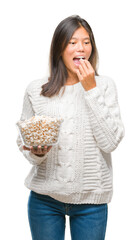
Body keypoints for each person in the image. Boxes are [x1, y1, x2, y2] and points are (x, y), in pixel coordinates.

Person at [17, 15, 125, 240]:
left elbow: (111, 142)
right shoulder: (37, 90)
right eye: (73, 42)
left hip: (91, 203)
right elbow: (24, 141)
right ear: (59, 48)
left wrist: (90, 89)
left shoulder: (104, 86)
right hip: (44, 200)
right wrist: (36, 153)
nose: (81, 48)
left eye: (86, 42)